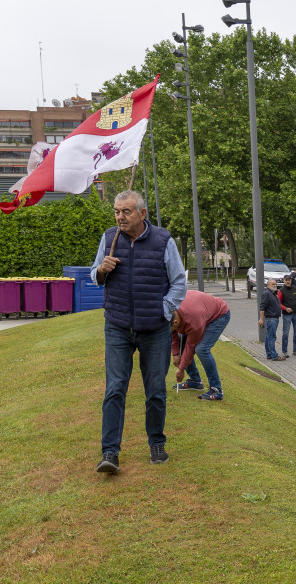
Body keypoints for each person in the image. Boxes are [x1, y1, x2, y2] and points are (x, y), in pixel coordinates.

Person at [90, 190, 187, 473]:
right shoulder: (110, 238)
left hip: (154, 329)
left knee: (155, 390)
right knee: (115, 389)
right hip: (118, 326)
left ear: (142, 214)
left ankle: (156, 443)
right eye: (117, 212)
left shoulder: (163, 240)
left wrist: (163, 310)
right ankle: (110, 453)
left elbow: (179, 281)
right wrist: (101, 271)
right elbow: (95, 276)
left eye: (126, 212)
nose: (120, 217)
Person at [170, 290, 231, 402]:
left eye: (173, 328)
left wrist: (181, 369)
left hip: (218, 315)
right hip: (201, 313)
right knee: (181, 344)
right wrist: (175, 353)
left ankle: (216, 390)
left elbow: (190, 348)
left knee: (201, 349)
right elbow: (173, 334)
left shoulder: (194, 321)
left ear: (175, 321)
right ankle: (195, 381)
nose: (173, 331)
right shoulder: (169, 310)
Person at [277, 274, 296, 358]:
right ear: (283, 281)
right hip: (287, 315)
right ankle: (284, 352)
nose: (288, 281)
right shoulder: (281, 291)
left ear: (291, 280)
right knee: (285, 333)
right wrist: (285, 308)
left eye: (289, 280)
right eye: (286, 280)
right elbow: (278, 303)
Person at [258, 279, 284, 362]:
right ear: (268, 285)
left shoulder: (272, 293)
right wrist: (261, 319)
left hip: (273, 318)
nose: (274, 285)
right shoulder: (267, 294)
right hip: (271, 318)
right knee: (272, 337)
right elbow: (262, 307)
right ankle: (274, 355)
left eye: (275, 284)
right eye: (272, 284)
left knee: (268, 337)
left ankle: (269, 354)